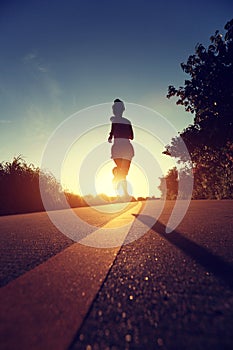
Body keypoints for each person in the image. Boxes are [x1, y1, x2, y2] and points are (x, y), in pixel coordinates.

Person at [108, 98, 134, 197]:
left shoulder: (123, 121)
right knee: (123, 172)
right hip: (123, 148)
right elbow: (131, 136)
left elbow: (111, 133)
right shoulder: (124, 122)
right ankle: (125, 193)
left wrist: (112, 136)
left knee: (123, 172)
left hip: (123, 148)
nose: (115, 111)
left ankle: (116, 173)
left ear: (122, 110)